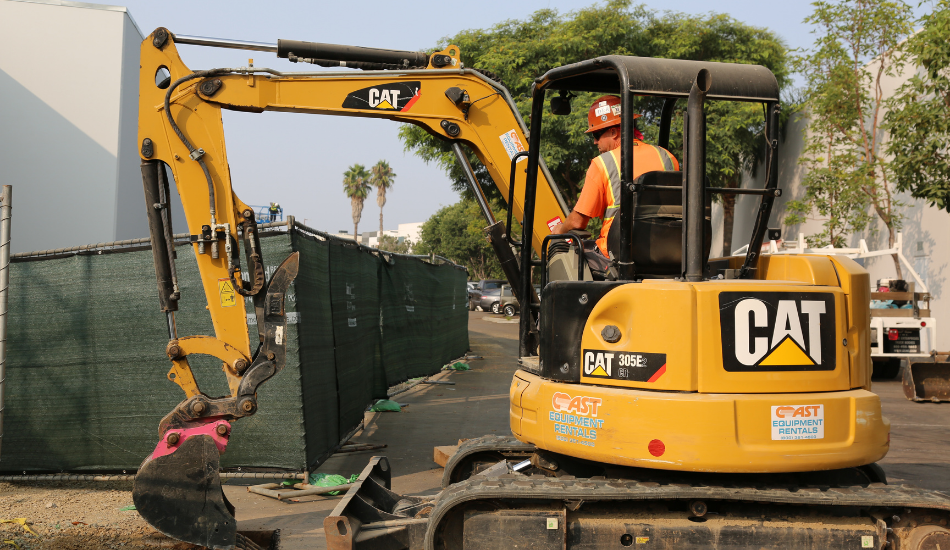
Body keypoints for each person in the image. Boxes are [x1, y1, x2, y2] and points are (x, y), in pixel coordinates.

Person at [552, 95, 679, 262]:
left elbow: (577, 222)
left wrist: (560, 230)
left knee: (565, 262)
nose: (595, 142)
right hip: (669, 251)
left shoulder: (603, 164)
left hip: (618, 256)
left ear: (614, 132)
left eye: (596, 135)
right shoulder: (667, 157)